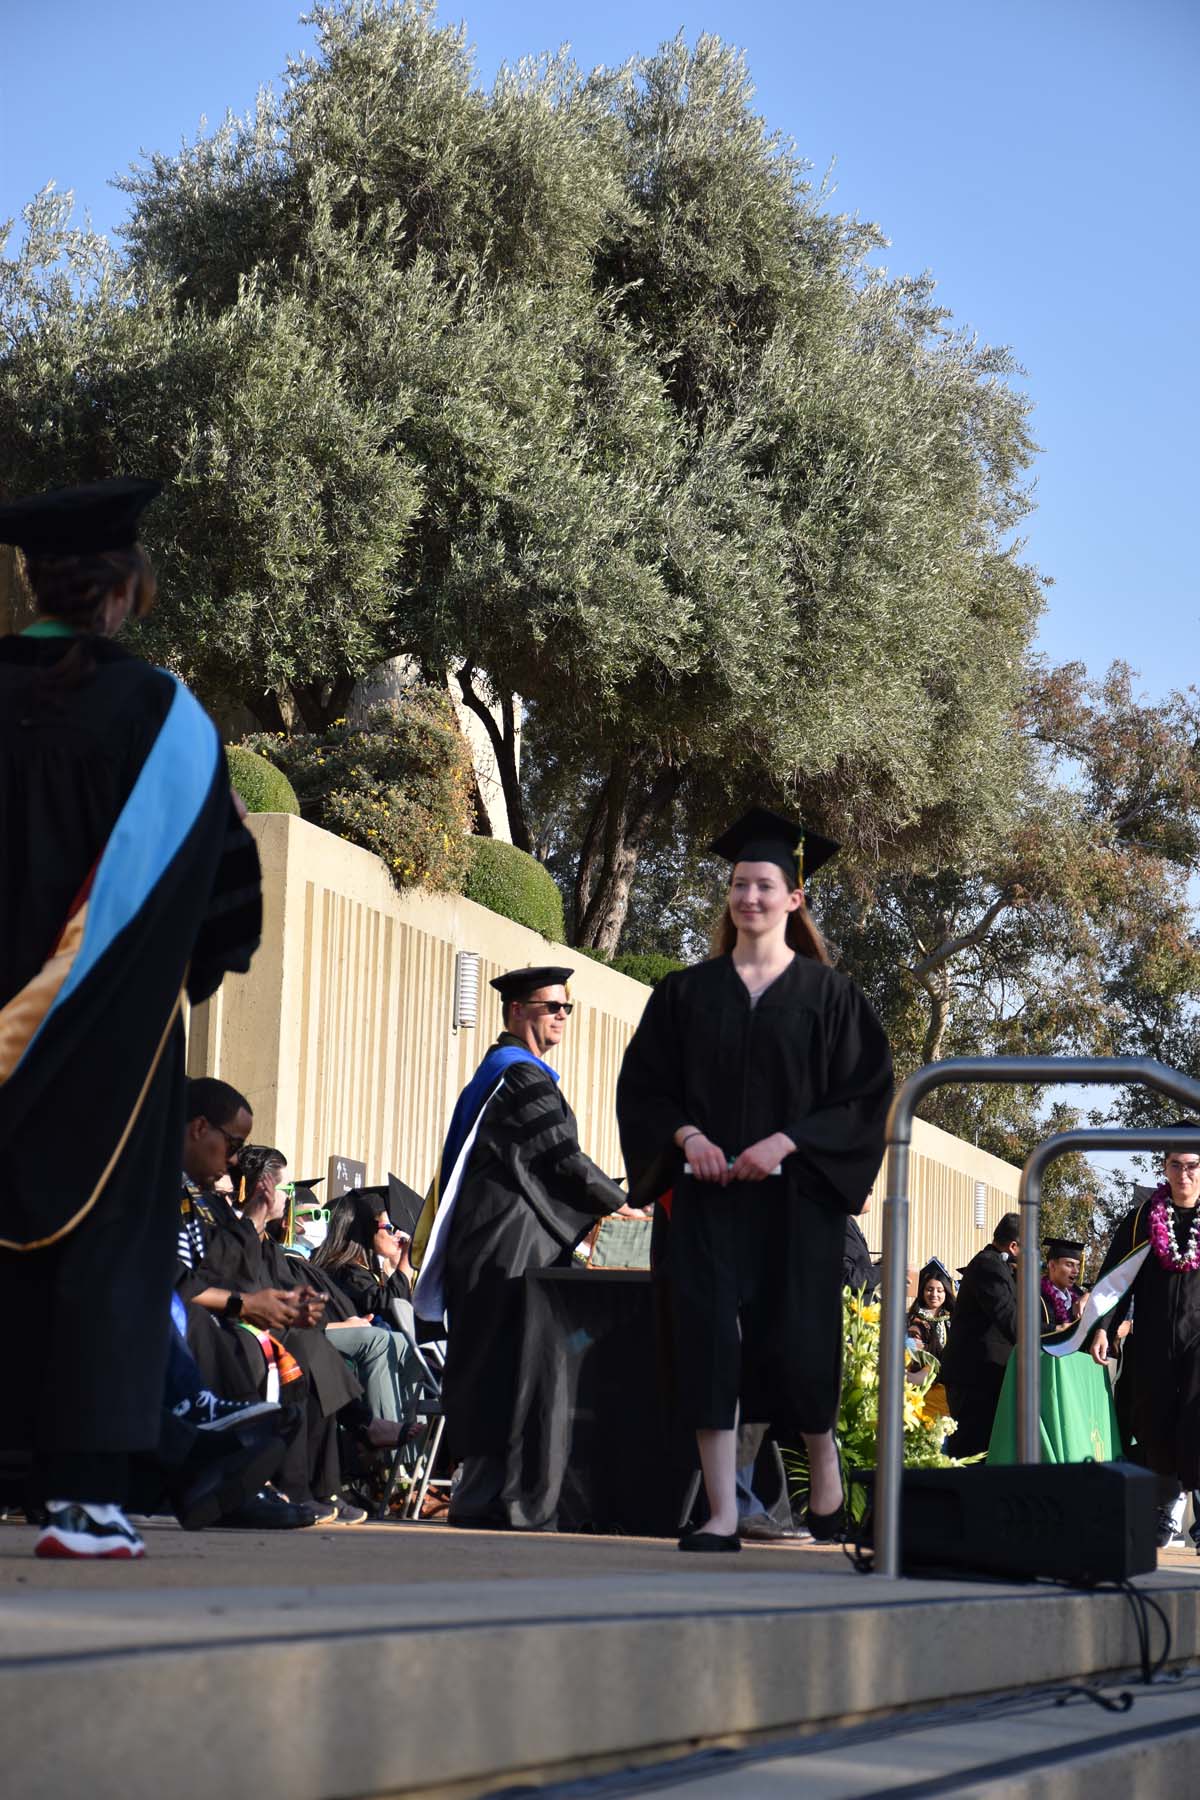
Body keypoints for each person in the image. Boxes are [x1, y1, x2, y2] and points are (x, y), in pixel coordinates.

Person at [0, 479, 262, 1558]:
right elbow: (226, 900)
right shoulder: (163, 720)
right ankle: (83, 1500)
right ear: (123, 595)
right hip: (110, 1044)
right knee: (102, 1257)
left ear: (33, 583)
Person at [616, 806, 893, 1553]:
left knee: (798, 1345)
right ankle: (722, 1513)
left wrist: (789, 1141)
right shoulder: (684, 993)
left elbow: (865, 1097)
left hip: (795, 1205)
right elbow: (644, 1088)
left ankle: (824, 1463)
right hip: (707, 1203)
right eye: (740, 885)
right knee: (707, 1343)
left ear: (795, 899)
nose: (750, 898)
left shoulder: (832, 999)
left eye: (765, 886)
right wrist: (689, 1137)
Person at [413, 964, 628, 1528]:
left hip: (497, 1246)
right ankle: (495, 1497)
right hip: (505, 1252)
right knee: (504, 1368)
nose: (562, 1015)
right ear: (516, 1011)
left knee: (493, 1366)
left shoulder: (503, 1075)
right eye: (550, 1005)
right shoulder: (522, 1077)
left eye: (566, 1007)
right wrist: (618, 1202)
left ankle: (486, 1494)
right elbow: (560, 1156)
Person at [1087, 1130, 1200, 1548]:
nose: (1183, 1174)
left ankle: (1190, 1507)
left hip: (1199, 1338)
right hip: (1152, 1337)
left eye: (1192, 1166)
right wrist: (1103, 1326)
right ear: (1165, 1168)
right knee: (1154, 1421)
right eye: (1176, 1165)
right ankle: (1166, 1505)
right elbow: (1115, 1280)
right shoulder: (1140, 1221)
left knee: (1196, 1417)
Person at [939, 1214, 1020, 1457]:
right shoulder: (989, 1265)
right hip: (974, 1378)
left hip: (986, 1377)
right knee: (970, 1451)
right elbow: (1008, 1318)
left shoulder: (1000, 1266)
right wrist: (1051, 1333)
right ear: (1014, 1247)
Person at [907, 1263, 955, 1360]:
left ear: (946, 1293)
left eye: (940, 1290)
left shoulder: (954, 1318)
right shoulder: (912, 1319)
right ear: (922, 1292)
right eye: (929, 1289)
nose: (934, 1294)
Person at [1039, 1238, 1085, 1335]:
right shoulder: (1036, 1294)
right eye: (1069, 1265)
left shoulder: (1080, 1297)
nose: (1076, 1271)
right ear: (1052, 1265)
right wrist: (1056, 1328)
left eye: (1077, 1266)